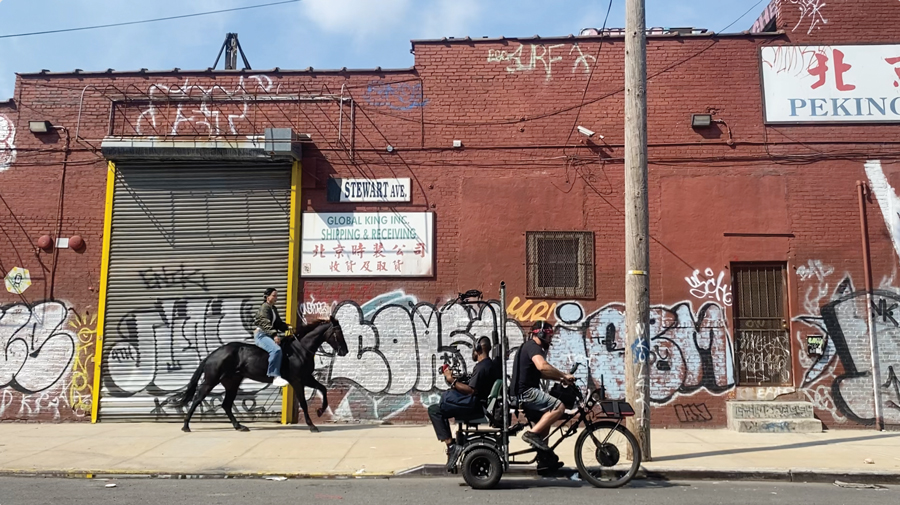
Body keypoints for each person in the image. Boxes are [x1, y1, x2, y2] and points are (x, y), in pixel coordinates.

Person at [428, 337, 496, 470]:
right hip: (478, 402)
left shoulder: (481, 367)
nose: (473, 352)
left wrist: (451, 380)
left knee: (435, 410)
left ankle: (451, 446)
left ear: (478, 349)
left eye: (474, 349)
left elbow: (471, 390)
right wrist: (456, 380)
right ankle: (452, 445)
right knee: (442, 404)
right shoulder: (488, 364)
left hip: (475, 405)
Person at [515, 320, 575, 453]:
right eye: (549, 336)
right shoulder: (533, 347)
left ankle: (545, 458)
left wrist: (561, 378)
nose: (550, 339)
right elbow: (542, 366)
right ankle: (531, 434)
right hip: (527, 392)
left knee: (545, 422)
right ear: (541, 334)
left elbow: (541, 373)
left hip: (524, 392)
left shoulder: (529, 346)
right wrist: (564, 375)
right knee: (558, 407)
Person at [254, 288, 291, 388]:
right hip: (261, 335)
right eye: (274, 296)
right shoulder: (264, 308)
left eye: (276, 296)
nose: (276, 298)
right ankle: (274, 375)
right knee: (276, 350)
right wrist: (274, 335)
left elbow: (277, 323)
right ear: (267, 297)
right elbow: (265, 323)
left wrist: (287, 327)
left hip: (268, 334)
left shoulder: (273, 308)